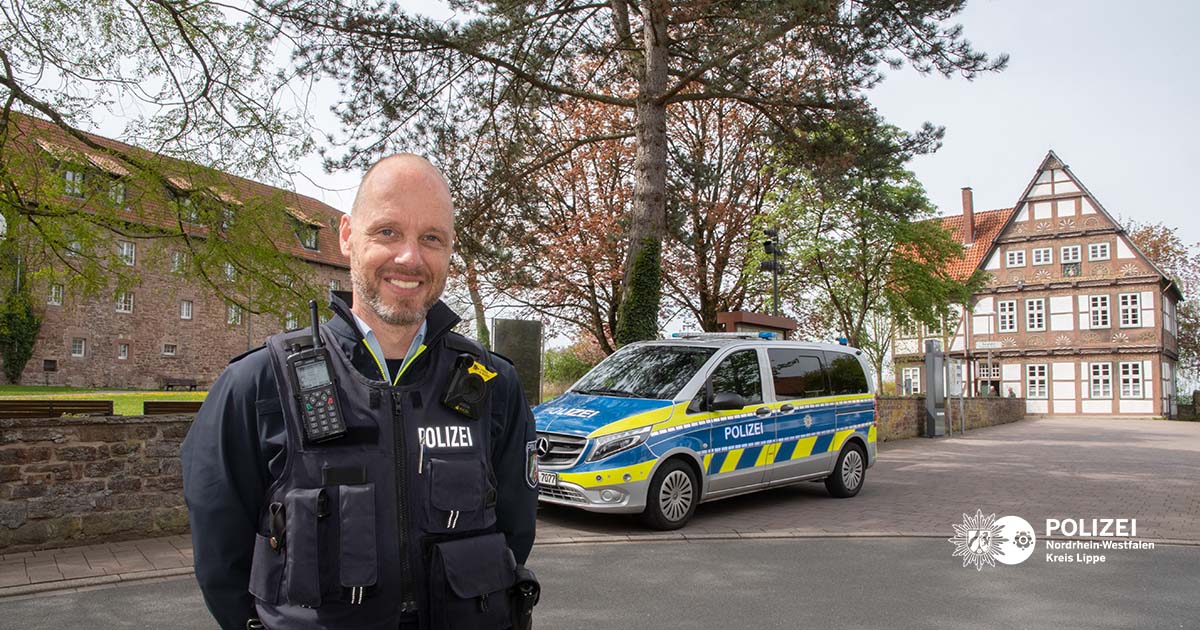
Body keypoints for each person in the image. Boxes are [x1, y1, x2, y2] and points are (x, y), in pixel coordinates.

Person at [182, 155, 538, 630]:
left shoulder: (493, 384)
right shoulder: (258, 384)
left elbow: (514, 533)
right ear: (347, 236)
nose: (409, 258)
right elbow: (220, 560)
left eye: (431, 238)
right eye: (388, 232)